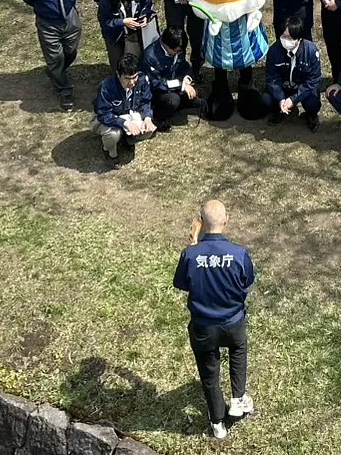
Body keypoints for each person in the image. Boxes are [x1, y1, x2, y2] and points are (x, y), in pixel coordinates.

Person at [173, 199, 256, 440]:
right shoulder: (239, 254)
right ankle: (238, 398)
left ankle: (218, 423)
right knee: (238, 351)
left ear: (201, 223)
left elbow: (181, 283)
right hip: (233, 322)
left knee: (209, 373)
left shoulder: (190, 254)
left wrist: (194, 247)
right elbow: (247, 280)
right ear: (226, 221)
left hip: (203, 327)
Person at [20, 0, 81, 110]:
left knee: (71, 52)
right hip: (48, 25)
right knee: (55, 59)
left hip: (70, 18)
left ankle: (56, 71)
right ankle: (65, 91)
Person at [91, 55, 156, 168]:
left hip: (129, 113)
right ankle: (110, 153)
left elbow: (145, 101)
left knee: (148, 129)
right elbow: (103, 114)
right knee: (112, 134)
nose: (131, 82)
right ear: (118, 74)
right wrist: (124, 123)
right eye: (127, 78)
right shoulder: (106, 86)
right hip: (106, 118)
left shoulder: (142, 80)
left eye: (134, 77)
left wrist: (147, 117)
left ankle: (129, 140)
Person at [262, 17, 322, 131]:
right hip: (283, 86)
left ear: (299, 39)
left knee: (313, 103)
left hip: (302, 86)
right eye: (283, 36)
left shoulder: (311, 51)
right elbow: (272, 78)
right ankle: (277, 111)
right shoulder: (274, 50)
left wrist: (294, 99)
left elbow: (314, 79)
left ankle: (312, 115)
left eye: (289, 38)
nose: (285, 40)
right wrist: (280, 98)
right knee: (266, 100)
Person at [98, 0, 156, 73]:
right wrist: (123, 22)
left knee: (141, 60)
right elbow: (105, 22)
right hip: (116, 37)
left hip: (138, 34)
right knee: (119, 66)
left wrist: (145, 16)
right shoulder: (106, 1)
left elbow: (148, 4)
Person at [140, 25, 198, 130]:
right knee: (173, 100)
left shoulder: (176, 50)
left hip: (172, 83)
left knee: (192, 93)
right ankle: (158, 119)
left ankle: (181, 104)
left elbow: (183, 65)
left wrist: (187, 78)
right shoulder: (150, 56)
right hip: (155, 92)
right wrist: (181, 85)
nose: (178, 53)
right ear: (166, 45)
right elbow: (156, 83)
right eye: (176, 51)